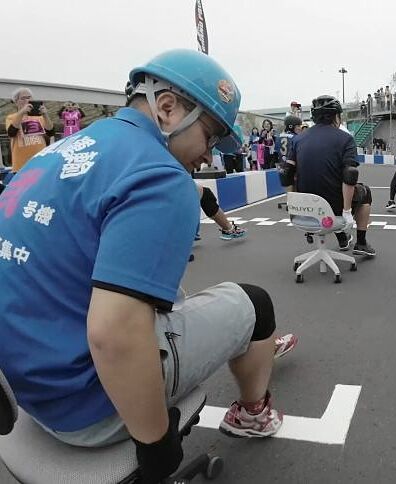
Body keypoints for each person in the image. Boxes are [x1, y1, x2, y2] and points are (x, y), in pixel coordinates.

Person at [0, 49, 294, 483]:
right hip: (88, 406)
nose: (208, 155)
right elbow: (114, 333)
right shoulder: (160, 176)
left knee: (167, 296)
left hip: (22, 391)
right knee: (256, 303)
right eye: (210, 136)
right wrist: (155, 442)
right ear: (168, 108)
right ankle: (252, 413)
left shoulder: (55, 152)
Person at [281, 95, 377, 256]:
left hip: (303, 207)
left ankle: (343, 239)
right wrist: (347, 211)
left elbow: (286, 173)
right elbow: (350, 175)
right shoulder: (345, 139)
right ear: (336, 116)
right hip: (334, 207)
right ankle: (361, 243)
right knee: (365, 192)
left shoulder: (298, 139)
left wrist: (292, 205)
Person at [4, 87, 54, 175]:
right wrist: (22, 112)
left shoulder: (40, 117)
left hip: (40, 162)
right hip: (21, 165)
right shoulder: (11, 117)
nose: (27, 100)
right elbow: (11, 133)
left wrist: (45, 115)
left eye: (29, 97)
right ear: (16, 101)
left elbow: (51, 132)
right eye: (23, 98)